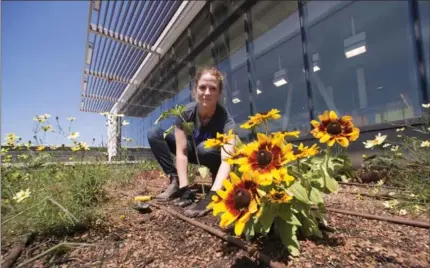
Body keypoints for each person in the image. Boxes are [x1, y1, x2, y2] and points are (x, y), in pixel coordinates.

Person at [148, 67, 236, 218]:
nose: (207, 92)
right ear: (195, 90)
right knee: (155, 133)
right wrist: (185, 187)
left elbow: (228, 159)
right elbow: (181, 152)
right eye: (202, 87)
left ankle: (217, 183)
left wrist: (211, 197)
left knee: (205, 148)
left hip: (211, 156)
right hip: (192, 151)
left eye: (213, 88)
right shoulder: (185, 114)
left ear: (219, 93)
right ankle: (175, 182)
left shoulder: (226, 120)